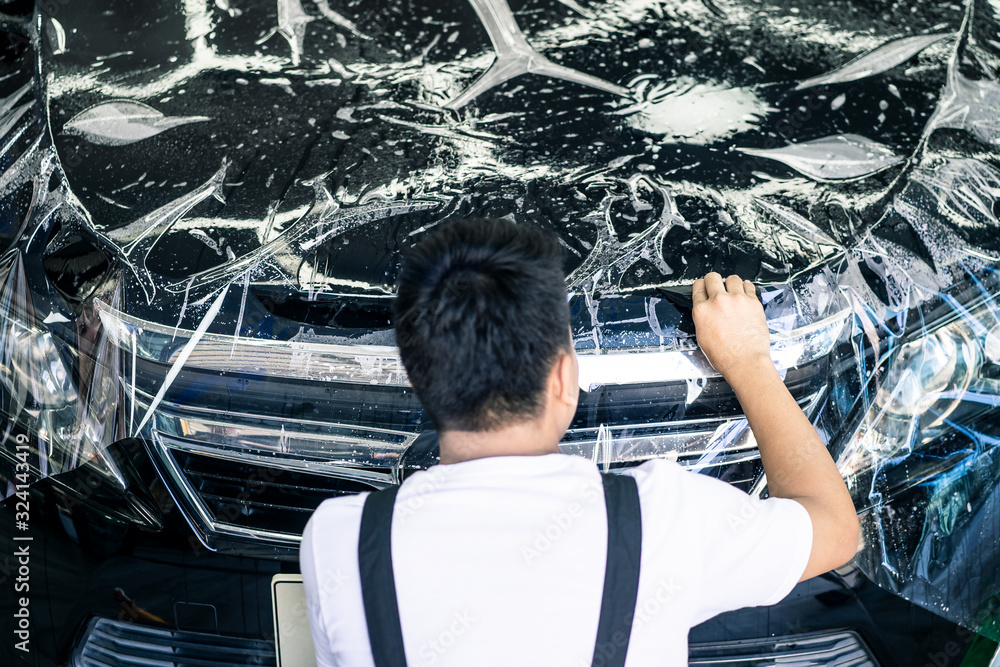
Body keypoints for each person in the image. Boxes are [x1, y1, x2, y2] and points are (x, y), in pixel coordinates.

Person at [300, 217, 859, 667]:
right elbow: (835, 531)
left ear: (421, 378)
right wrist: (750, 361)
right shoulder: (661, 519)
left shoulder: (339, 540)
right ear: (565, 379)